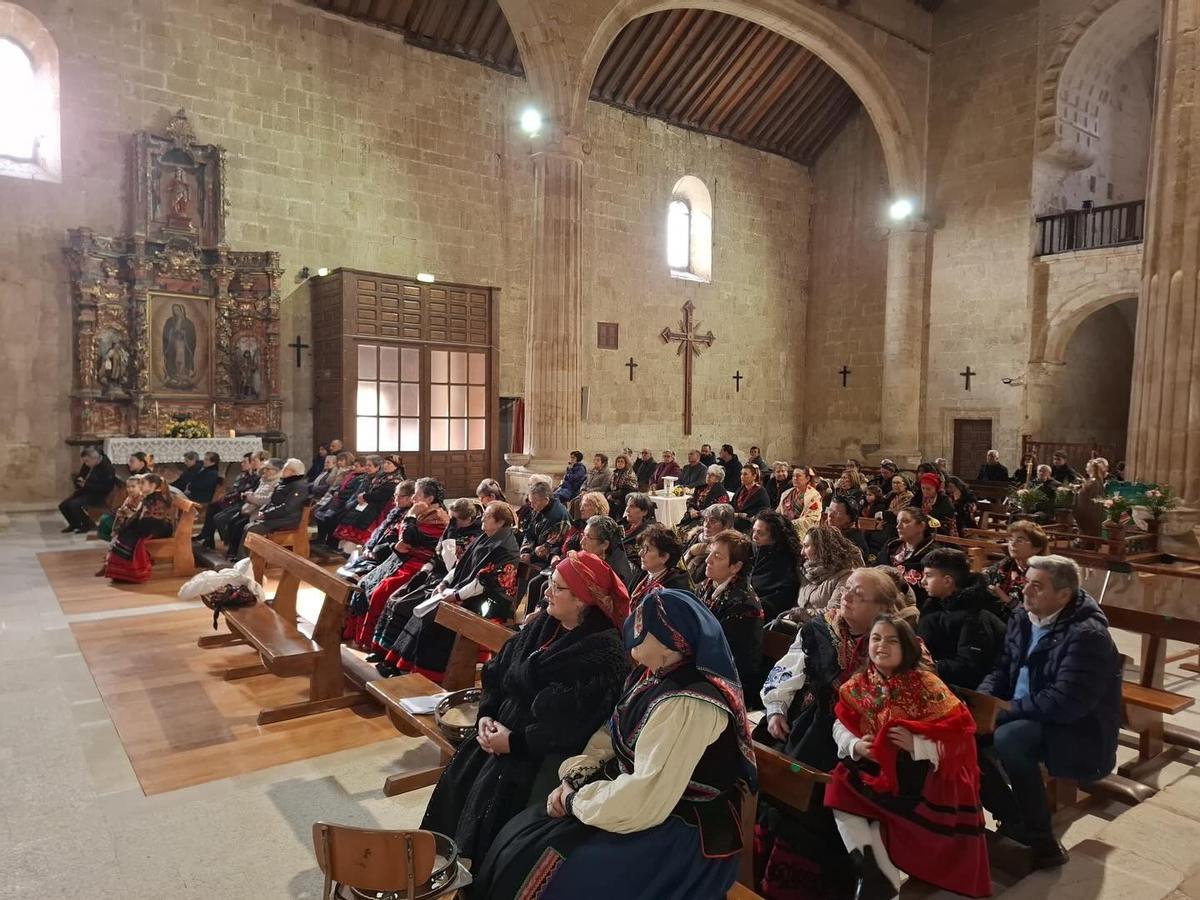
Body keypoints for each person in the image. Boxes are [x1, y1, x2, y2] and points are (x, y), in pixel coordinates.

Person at [473, 588, 758, 900]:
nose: (632, 637)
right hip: (634, 800)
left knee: (565, 869)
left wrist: (575, 802)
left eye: (642, 630)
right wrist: (576, 779)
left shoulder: (689, 704)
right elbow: (610, 735)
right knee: (523, 834)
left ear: (670, 642)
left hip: (679, 824)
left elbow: (648, 793)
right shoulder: (653, 675)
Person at [421, 550, 632, 865]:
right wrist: (487, 714)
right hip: (499, 732)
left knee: (494, 825)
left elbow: (575, 723)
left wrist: (514, 742)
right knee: (459, 791)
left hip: (539, 755)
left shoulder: (603, 652)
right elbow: (497, 672)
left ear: (582, 600)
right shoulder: (544, 624)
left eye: (557, 587)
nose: (546, 590)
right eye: (551, 581)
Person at [755, 568, 906, 898]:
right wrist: (777, 708)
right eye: (847, 589)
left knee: (816, 799)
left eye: (858, 595)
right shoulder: (821, 628)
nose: (846, 597)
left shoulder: (899, 643)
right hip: (814, 724)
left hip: (863, 741)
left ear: (881, 608)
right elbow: (789, 666)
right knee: (770, 772)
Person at [826, 615, 990, 899]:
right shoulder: (860, 683)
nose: (882, 645)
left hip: (924, 776)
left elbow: (961, 742)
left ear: (908, 647)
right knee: (838, 784)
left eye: (892, 640)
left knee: (877, 814)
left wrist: (918, 745)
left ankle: (880, 881)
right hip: (879, 769)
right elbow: (841, 723)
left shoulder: (927, 685)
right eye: (876, 638)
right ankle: (873, 873)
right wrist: (855, 745)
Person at [978, 555, 1120, 869]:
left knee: (1009, 738)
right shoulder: (1022, 616)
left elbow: (1064, 701)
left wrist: (1004, 713)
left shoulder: (1087, 635)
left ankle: (1043, 840)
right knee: (964, 732)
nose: (1025, 590)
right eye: (1026, 581)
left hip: (1078, 728)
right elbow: (1002, 668)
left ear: (1063, 595)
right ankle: (1013, 816)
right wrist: (983, 701)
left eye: (1036, 586)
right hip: (1026, 710)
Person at [376, 500, 518, 679]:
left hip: (488, 601)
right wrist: (443, 584)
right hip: (466, 592)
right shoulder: (485, 536)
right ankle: (397, 663)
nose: (482, 518)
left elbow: (484, 583)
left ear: (500, 522)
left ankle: (425, 673)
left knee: (436, 616)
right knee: (424, 607)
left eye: (488, 516)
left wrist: (455, 595)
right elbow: (460, 566)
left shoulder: (506, 547)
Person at [346, 477, 450, 649]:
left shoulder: (438, 518)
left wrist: (410, 517)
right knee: (365, 583)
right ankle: (356, 635)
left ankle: (377, 644)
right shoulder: (420, 512)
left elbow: (408, 538)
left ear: (430, 499)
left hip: (419, 564)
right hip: (402, 558)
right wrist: (403, 539)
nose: (413, 499)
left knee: (380, 592)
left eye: (416, 495)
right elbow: (394, 535)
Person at [917, 548, 1007, 689]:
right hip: (930, 679)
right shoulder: (933, 604)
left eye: (928, 576)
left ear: (947, 581)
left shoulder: (975, 615)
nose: (922, 582)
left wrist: (929, 666)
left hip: (958, 690)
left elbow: (970, 667)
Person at [696, 529, 763, 699]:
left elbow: (727, 655)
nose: (708, 560)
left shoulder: (744, 605)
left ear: (736, 567)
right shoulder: (707, 585)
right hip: (703, 664)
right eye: (710, 553)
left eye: (717, 557)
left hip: (729, 681)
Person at [527, 492, 611, 610]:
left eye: (586, 505)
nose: (581, 508)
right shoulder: (577, 525)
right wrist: (554, 555)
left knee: (545, 586)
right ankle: (527, 624)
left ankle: (541, 617)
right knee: (534, 583)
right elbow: (560, 543)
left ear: (598, 508)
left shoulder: (597, 531)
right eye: (581, 505)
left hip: (574, 568)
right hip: (561, 562)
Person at [775, 524, 863, 621]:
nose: (802, 552)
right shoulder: (807, 570)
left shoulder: (846, 575)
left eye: (806, 546)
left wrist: (801, 614)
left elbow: (833, 613)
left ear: (822, 548)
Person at [103, 474, 177, 582]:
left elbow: (153, 520)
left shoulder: (157, 499)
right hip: (150, 525)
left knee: (130, 538)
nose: (140, 486)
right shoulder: (149, 498)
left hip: (159, 529)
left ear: (152, 485)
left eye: (143, 483)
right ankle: (120, 573)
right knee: (125, 533)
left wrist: (131, 526)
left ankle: (131, 574)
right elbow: (139, 517)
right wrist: (126, 525)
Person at [233, 458, 308, 557]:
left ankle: (245, 560)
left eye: (285, 469)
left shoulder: (299, 486)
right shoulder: (285, 483)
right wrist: (263, 511)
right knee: (248, 526)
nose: (282, 471)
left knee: (252, 528)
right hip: (277, 516)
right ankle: (245, 559)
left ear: (293, 472)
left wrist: (266, 515)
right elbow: (271, 501)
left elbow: (287, 508)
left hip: (287, 519)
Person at [983, 520, 1049, 618]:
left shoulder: (1042, 575)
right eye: (1011, 539)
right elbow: (985, 578)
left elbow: (1037, 615)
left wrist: (1008, 600)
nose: (1012, 544)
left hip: (1023, 625)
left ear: (1037, 548)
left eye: (1020, 540)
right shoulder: (1005, 564)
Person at [333, 455, 402, 547]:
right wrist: (363, 497)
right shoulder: (381, 477)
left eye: (389, 463)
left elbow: (380, 495)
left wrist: (364, 496)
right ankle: (345, 548)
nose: (385, 465)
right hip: (369, 503)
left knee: (360, 518)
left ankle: (358, 547)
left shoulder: (396, 480)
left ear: (396, 466)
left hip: (381, 508)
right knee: (349, 516)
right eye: (385, 463)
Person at [750, 510, 803, 621]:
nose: (754, 537)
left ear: (775, 536)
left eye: (760, 533)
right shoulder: (755, 550)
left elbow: (780, 599)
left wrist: (750, 606)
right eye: (754, 531)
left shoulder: (786, 561)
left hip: (762, 614)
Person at [884, 507, 939, 611]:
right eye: (897, 522)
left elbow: (929, 592)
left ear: (921, 526)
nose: (898, 526)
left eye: (905, 521)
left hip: (913, 608)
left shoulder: (932, 555)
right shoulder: (891, 546)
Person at [199, 452, 257, 549]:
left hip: (242, 503)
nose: (241, 464)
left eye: (244, 462)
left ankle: (228, 543)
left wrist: (228, 498)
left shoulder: (254, 477)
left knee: (219, 517)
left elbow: (242, 493)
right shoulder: (243, 475)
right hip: (236, 501)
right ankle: (209, 537)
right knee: (213, 507)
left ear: (252, 463)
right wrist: (227, 496)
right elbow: (236, 490)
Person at [630, 524, 691, 607]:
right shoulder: (642, 575)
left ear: (664, 557)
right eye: (642, 548)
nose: (640, 553)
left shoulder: (675, 589)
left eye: (647, 549)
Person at [60, 447, 117, 533]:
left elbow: (105, 487)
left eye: (87, 461)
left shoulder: (107, 468)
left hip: (99, 495)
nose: (85, 464)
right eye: (84, 462)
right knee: (63, 505)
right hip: (87, 491)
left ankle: (87, 525)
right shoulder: (89, 464)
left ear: (94, 458)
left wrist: (86, 484)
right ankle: (74, 524)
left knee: (74, 505)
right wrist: (79, 479)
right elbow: (81, 474)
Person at [521, 481, 571, 574]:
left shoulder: (559, 516)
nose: (531, 506)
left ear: (546, 500)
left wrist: (531, 556)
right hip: (535, 551)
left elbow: (552, 546)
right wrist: (526, 550)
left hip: (550, 558)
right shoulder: (538, 508)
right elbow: (529, 532)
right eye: (530, 502)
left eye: (534, 502)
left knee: (524, 570)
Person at [683, 502, 735, 585]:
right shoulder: (697, 536)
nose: (706, 525)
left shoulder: (728, 548)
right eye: (705, 520)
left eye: (713, 521)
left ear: (726, 526)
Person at [778, 466, 823, 539]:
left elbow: (812, 518)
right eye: (793, 476)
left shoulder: (814, 496)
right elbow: (778, 512)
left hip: (802, 534)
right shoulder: (786, 494)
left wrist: (791, 524)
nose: (795, 478)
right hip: (784, 530)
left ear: (807, 478)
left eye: (798, 476)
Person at [678, 464, 729, 528]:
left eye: (712, 475)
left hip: (708, 521)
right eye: (708, 474)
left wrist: (699, 513)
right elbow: (691, 501)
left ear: (718, 478)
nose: (708, 476)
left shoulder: (721, 493)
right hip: (693, 517)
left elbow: (718, 512)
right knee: (676, 530)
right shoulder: (701, 487)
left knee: (686, 532)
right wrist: (691, 510)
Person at [826, 495, 871, 561]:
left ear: (850, 518)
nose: (830, 515)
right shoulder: (829, 530)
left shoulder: (854, 545)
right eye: (830, 510)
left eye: (836, 513)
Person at [1073, 457, 1108, 537]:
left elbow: (1089, 496)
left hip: (1088, 510)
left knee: (1088, 531)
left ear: (1092, 468)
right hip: (1090, 510)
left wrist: (1077, 491)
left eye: (1087, 467)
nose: (1086, 469)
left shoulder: (1094, 482)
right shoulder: (1095, 480)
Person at [916, 472, 957, 536]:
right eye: (923, 488)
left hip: (942, 533)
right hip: (922, 530)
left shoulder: (944, 501)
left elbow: (945, 523)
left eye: (928, 489)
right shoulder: (918, 497)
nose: (925, 491)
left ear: (936, 489)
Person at [732, 463, 770, 531]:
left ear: (754, 476)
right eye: (741, 474)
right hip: (736, 520)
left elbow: (764, 510)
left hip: (750, 523)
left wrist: (741, 515)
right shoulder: (741, 489)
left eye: (745, 474)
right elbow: (732, 504)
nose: (742, 476)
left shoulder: (760, 491)